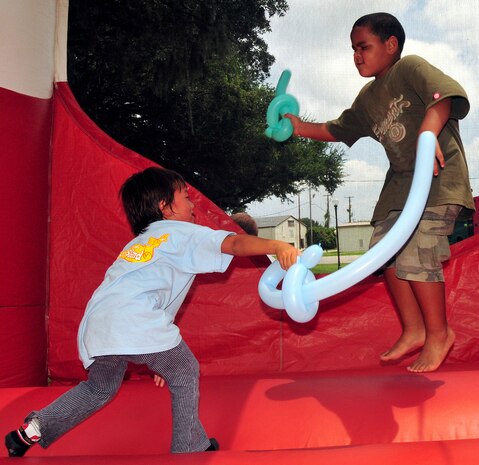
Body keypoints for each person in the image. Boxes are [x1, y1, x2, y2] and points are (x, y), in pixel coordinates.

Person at [5, 167, 300, 457]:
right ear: (166, 207)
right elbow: (233, 243)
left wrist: (159, 356)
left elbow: (142, 294)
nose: (192, 204)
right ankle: (190, 450)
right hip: (135, 323)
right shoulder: (182, 232)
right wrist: (276, 244)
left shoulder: (140, 243)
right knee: (185, 370)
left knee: (99, 388)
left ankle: (31, 431)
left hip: (99, 323)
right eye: (185, 197)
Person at [285, 12, 474, 373]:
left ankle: (439, 332)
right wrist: (298, 128)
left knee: (416, 254)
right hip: (400, 186)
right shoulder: (367, 98)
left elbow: (445, 98)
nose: (356, 55)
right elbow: (337, 129)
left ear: (391, 45)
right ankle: (414, 328)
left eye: (363, 47)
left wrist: (428, 133)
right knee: (383, 253)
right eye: (353, 49)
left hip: (437, 180)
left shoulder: (410, 68)